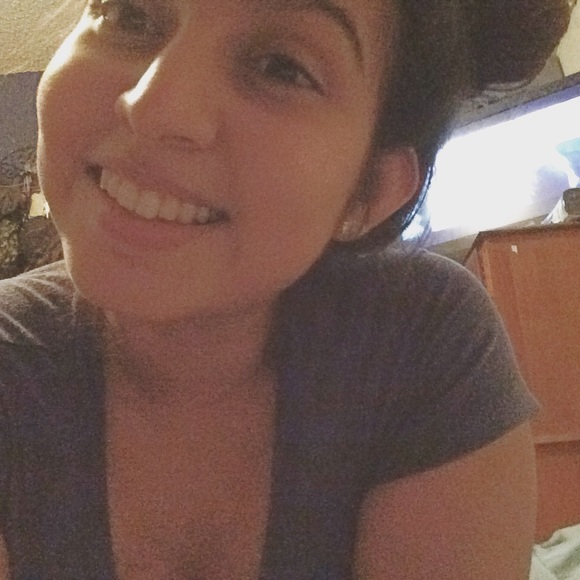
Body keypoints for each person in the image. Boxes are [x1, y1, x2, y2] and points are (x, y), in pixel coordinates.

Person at [0, 0, 571, 577]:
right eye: (130, 15)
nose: (153, 106)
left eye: (281, 67)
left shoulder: (419, 341)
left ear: (371, 192)